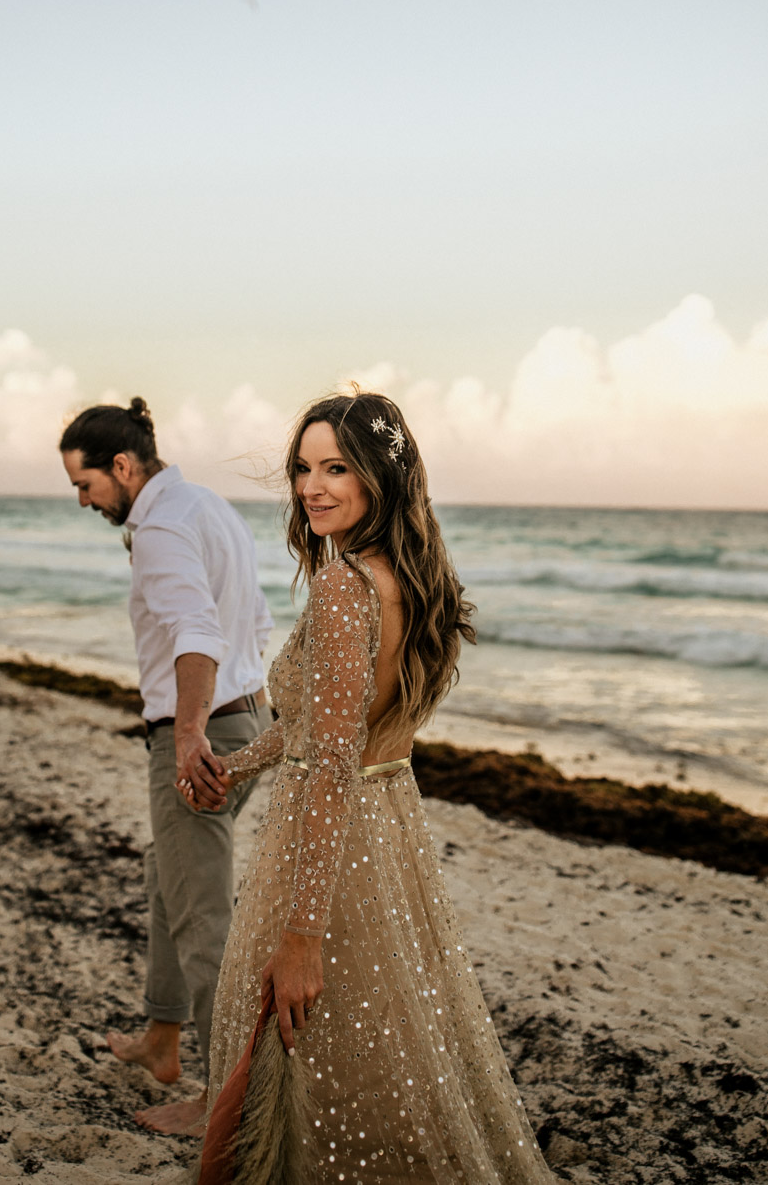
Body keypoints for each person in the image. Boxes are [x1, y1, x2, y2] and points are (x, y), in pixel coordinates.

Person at [183, 391, 559, 1182]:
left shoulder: (345, 586)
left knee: (300, 1028)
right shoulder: (413, 578)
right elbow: (334, 728)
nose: (312, 488)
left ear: (379, 476)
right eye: (302, 468)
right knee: (384, 1035)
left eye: (336, 468)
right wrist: (240, 765)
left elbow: (329, 764)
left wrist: (301, 933)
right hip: (390, 824)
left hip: (329, 835)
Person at [59, 399, 273, 1135]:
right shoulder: (207, 506)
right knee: (171, 879)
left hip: (203, 729)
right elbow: (255, 617)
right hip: (250, 713)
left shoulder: (158, 528)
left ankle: (228, 1104)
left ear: (122, 466)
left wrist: (187, 736)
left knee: (200, 914)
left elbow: (198, 629)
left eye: (85, 485)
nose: (84, 501)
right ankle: (161, 1037)